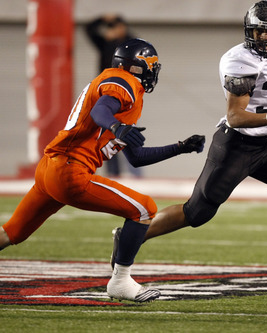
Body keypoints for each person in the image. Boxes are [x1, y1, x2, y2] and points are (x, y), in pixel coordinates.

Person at [110, 0, 267, 284]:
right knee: (196, 212)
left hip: (265, 145)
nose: (262, 37)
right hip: (235, 145)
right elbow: (236, 116)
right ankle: (130, 236)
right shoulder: (239, 60)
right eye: (257, 31)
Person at [0, 38, 205, 303]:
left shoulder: (129, 97)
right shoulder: (124, 82)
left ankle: (121, 280)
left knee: (11, 232)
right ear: (138, 67)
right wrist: (117, 128)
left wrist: (180, 147)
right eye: (151, 66)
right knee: (144, 209)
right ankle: (120, 282)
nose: (154, 72)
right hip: (70, 172)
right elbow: (101, 110)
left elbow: (137, 158)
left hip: (50, 169)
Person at [85, 14, 141, 178]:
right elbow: (88, 30)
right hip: (107, 93)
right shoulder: (106, 43)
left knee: (129, 133)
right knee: (106, 135)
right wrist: (102, 19)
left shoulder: (128, 45)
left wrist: (120, 27)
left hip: (125, 95)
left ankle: (136, 174)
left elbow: (138, 43)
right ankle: (113, 174)